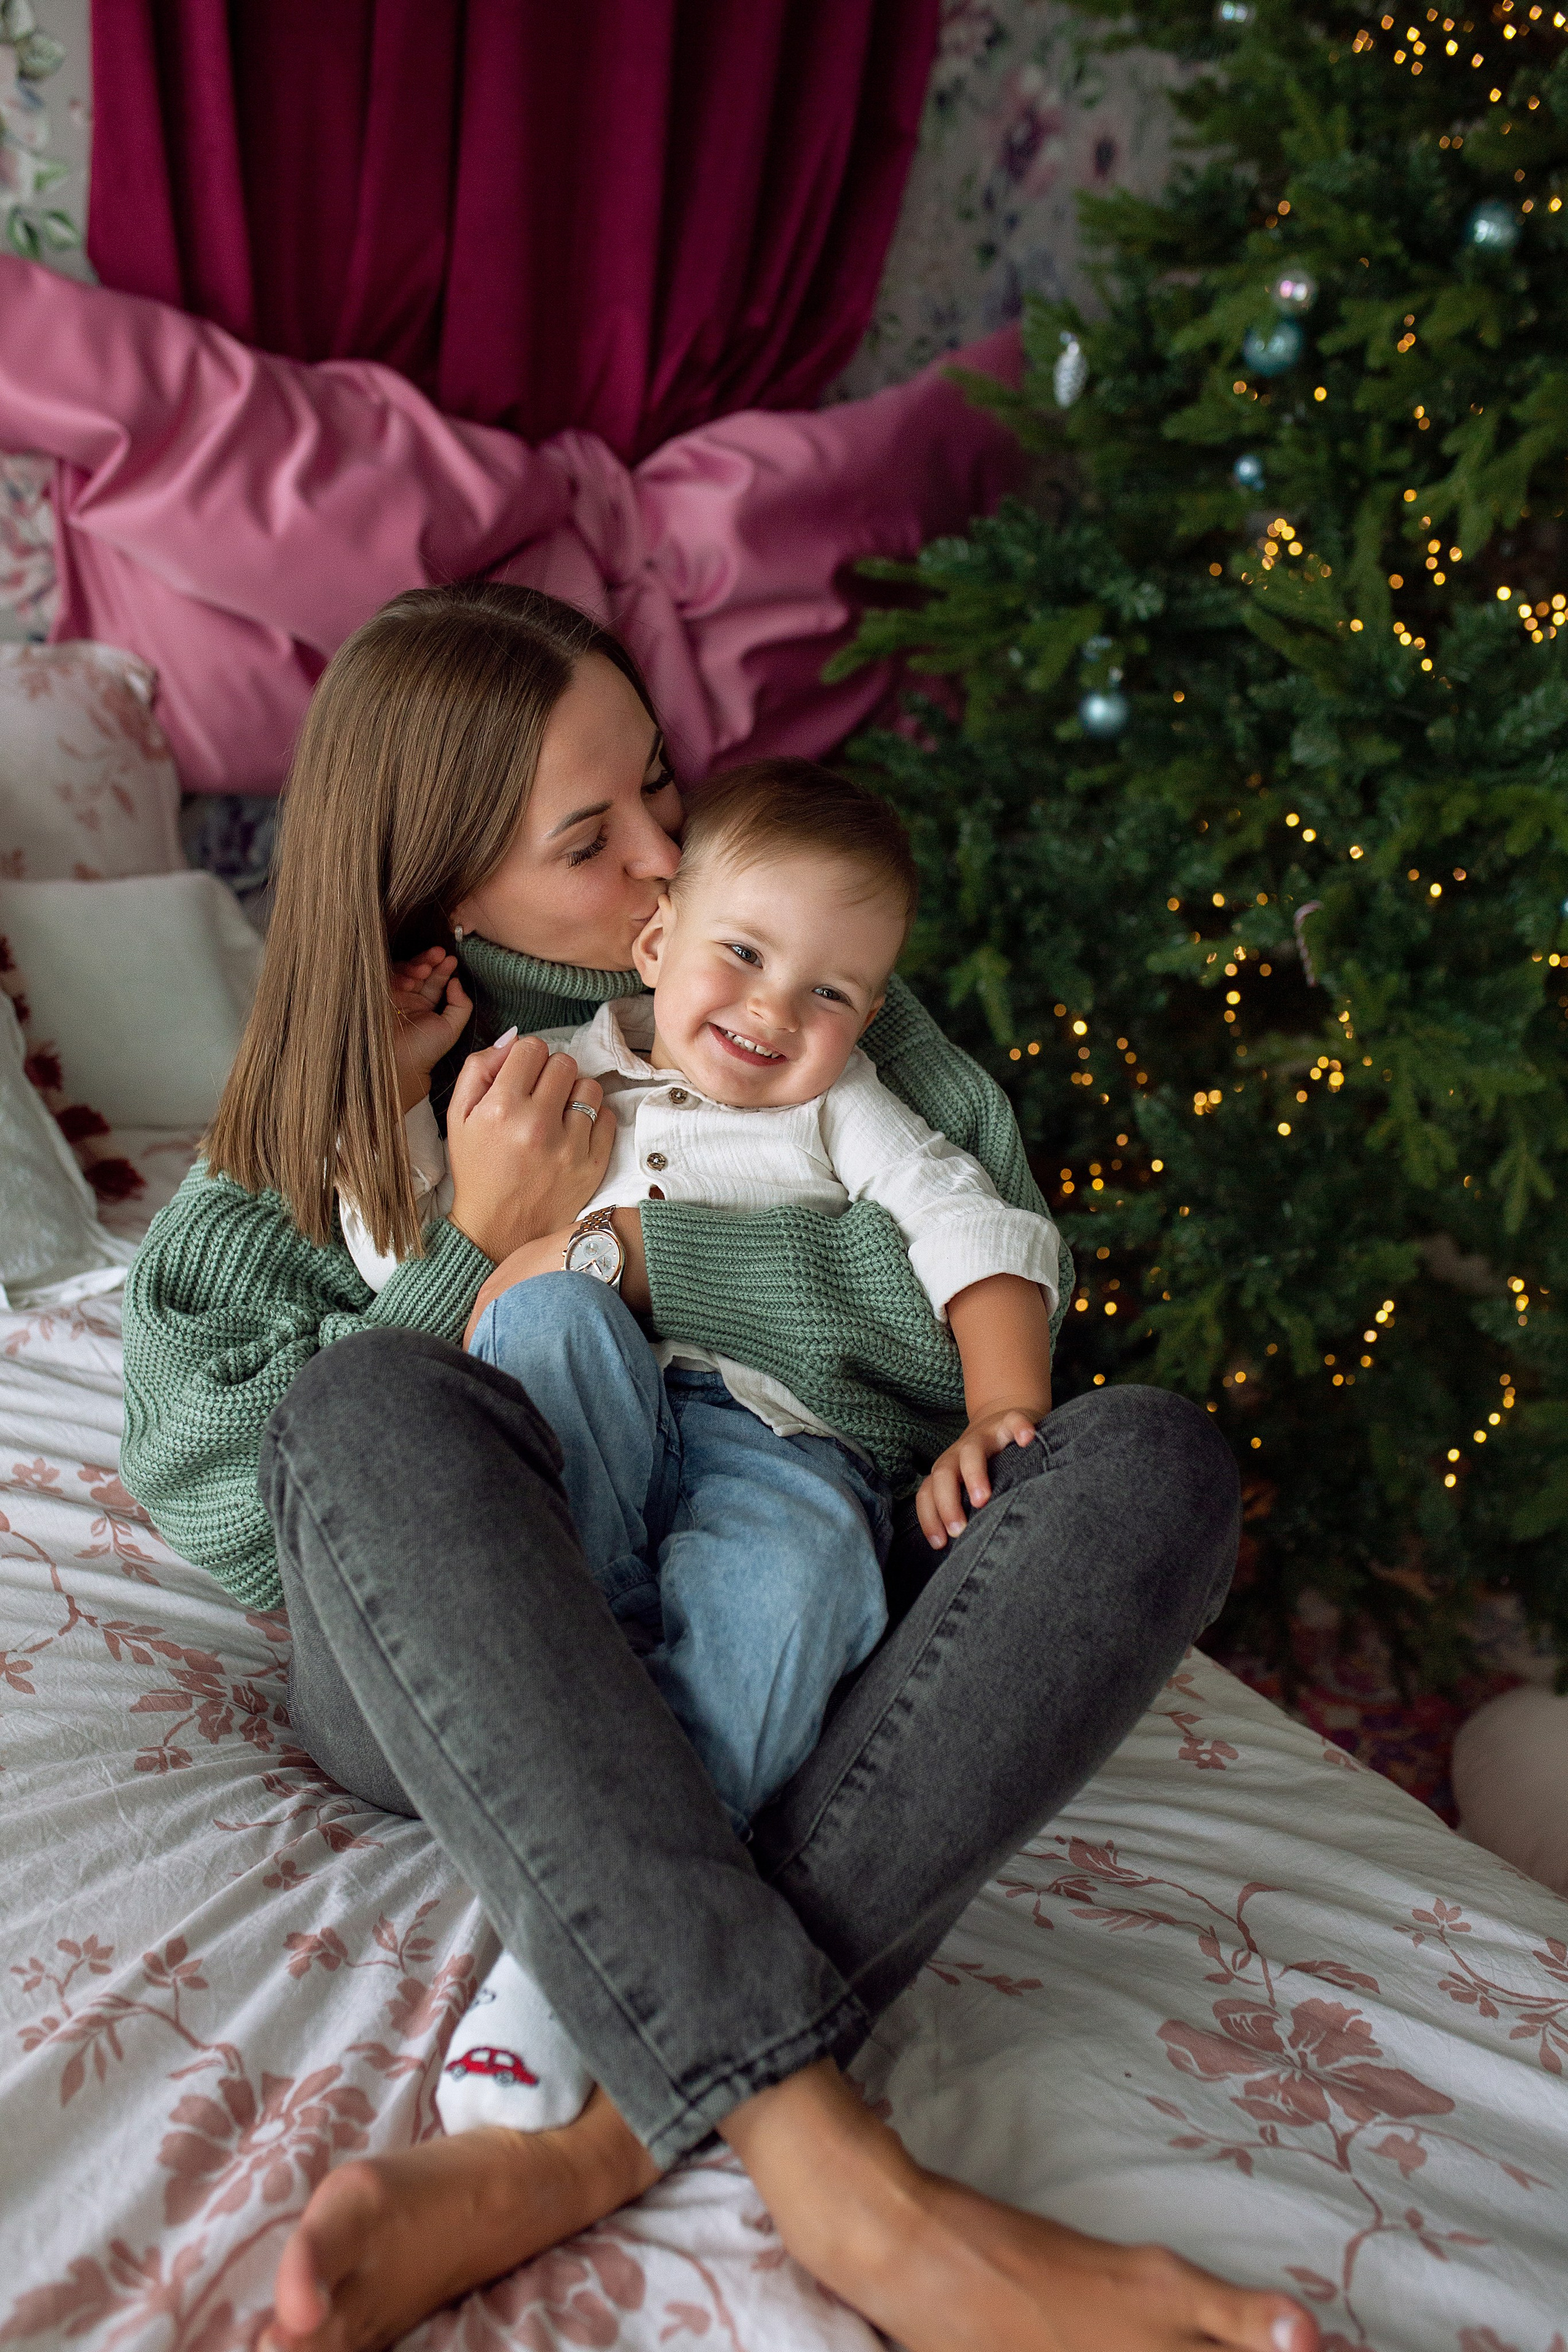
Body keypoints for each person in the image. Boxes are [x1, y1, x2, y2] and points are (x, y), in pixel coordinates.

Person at [120, 580, 1316, 2352]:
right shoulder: (357, 1071)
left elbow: (961, 1312)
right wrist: (478, 1249)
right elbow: (229, 1489)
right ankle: (849, 2183)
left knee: (1150, 1464)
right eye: (593, 839)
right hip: (462, 1650)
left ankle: (583, 2140)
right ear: (448, 884)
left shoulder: (811, 988)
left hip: (783, 1578)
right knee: (363, 1410)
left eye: (664, 788)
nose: (672, 856)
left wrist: (689, 1276)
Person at [349, 761, 1060, 2138]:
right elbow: (400, 1253)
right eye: (740, 953)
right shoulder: (548, 1080)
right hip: (586, 1421)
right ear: (657, 940)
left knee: (798, 1572)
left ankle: (568, 1959)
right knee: (551, 1314)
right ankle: (580, 1686)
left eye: (831, 994)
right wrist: (399, 1087)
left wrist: (992, 1407)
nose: (773, 1012)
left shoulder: (845, 1112)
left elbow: (977, 1233)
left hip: (779, 1439)